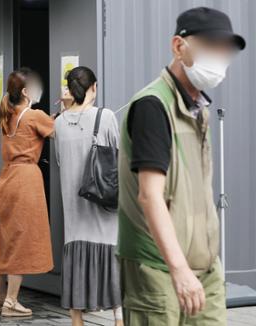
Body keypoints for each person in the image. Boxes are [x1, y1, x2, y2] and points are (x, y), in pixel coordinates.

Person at [117, 7, 244, 325]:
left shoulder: (198, 108)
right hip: (159, 267)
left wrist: (204, 261)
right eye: (210, 46)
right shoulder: (153, 106)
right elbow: (150, 196)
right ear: (178, 46)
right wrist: (179, 268)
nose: (219, 57)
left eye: (224, 51)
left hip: (205, 267)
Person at [54, 67, 123, 326]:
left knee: (76, 259)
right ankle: (118, 319)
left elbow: (60, 161)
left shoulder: (59, 122)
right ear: (93, 87)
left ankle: (77, 320)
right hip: (103, 205)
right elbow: (117, 155)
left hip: (73, 210)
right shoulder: (105, 117)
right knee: (111, 255)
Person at [0, 68, 54, 317]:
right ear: (27, 92)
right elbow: (57, 130)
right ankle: (11, 302)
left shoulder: (6, 114)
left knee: (6, 238)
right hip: (26, 179)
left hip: (6, 178)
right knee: (21, 238)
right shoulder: (34, 115)